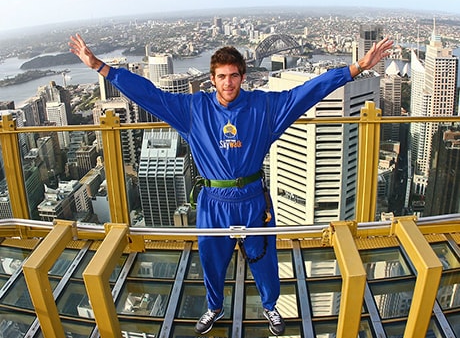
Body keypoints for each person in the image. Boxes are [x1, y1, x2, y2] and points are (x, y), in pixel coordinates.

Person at [69, 34, 393, 336]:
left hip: (253, 199)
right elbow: (148, 93)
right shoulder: (193, 110)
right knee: (211, 258)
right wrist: (100, 66)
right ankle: (214, 306)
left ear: (242, 77)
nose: (228, 82)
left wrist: (356, 68)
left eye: (234, 75)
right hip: (213, 201)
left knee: (263, 258)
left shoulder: (263, 108)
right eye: (221, 76)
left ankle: (270, 306)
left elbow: (307, 92)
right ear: (212, 79)